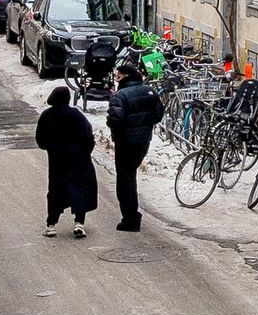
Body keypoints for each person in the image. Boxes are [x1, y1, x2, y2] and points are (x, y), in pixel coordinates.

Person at [104, 61, 164, 233]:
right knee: (131, 174)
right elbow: (158, 114)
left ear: (125, 76)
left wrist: (115, 126)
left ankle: (130, 217)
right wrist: (144, 125)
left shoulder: (120, 95)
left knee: (125, 179)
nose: (116, 79)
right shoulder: (149, 91)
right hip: (143, 140)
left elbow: (115, 119)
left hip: (125, 142)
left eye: (118, 76)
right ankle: (132, 215)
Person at [35, 84, 100, 238]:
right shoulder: (76, 115)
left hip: (57, 161)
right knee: (80, 189)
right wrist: (84, 152)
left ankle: (51, 224)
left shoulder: (46, 116)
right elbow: (88, 135)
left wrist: (52, 147)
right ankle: (79, 222)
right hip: (78, 161)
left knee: (56, 191)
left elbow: (41, 140)